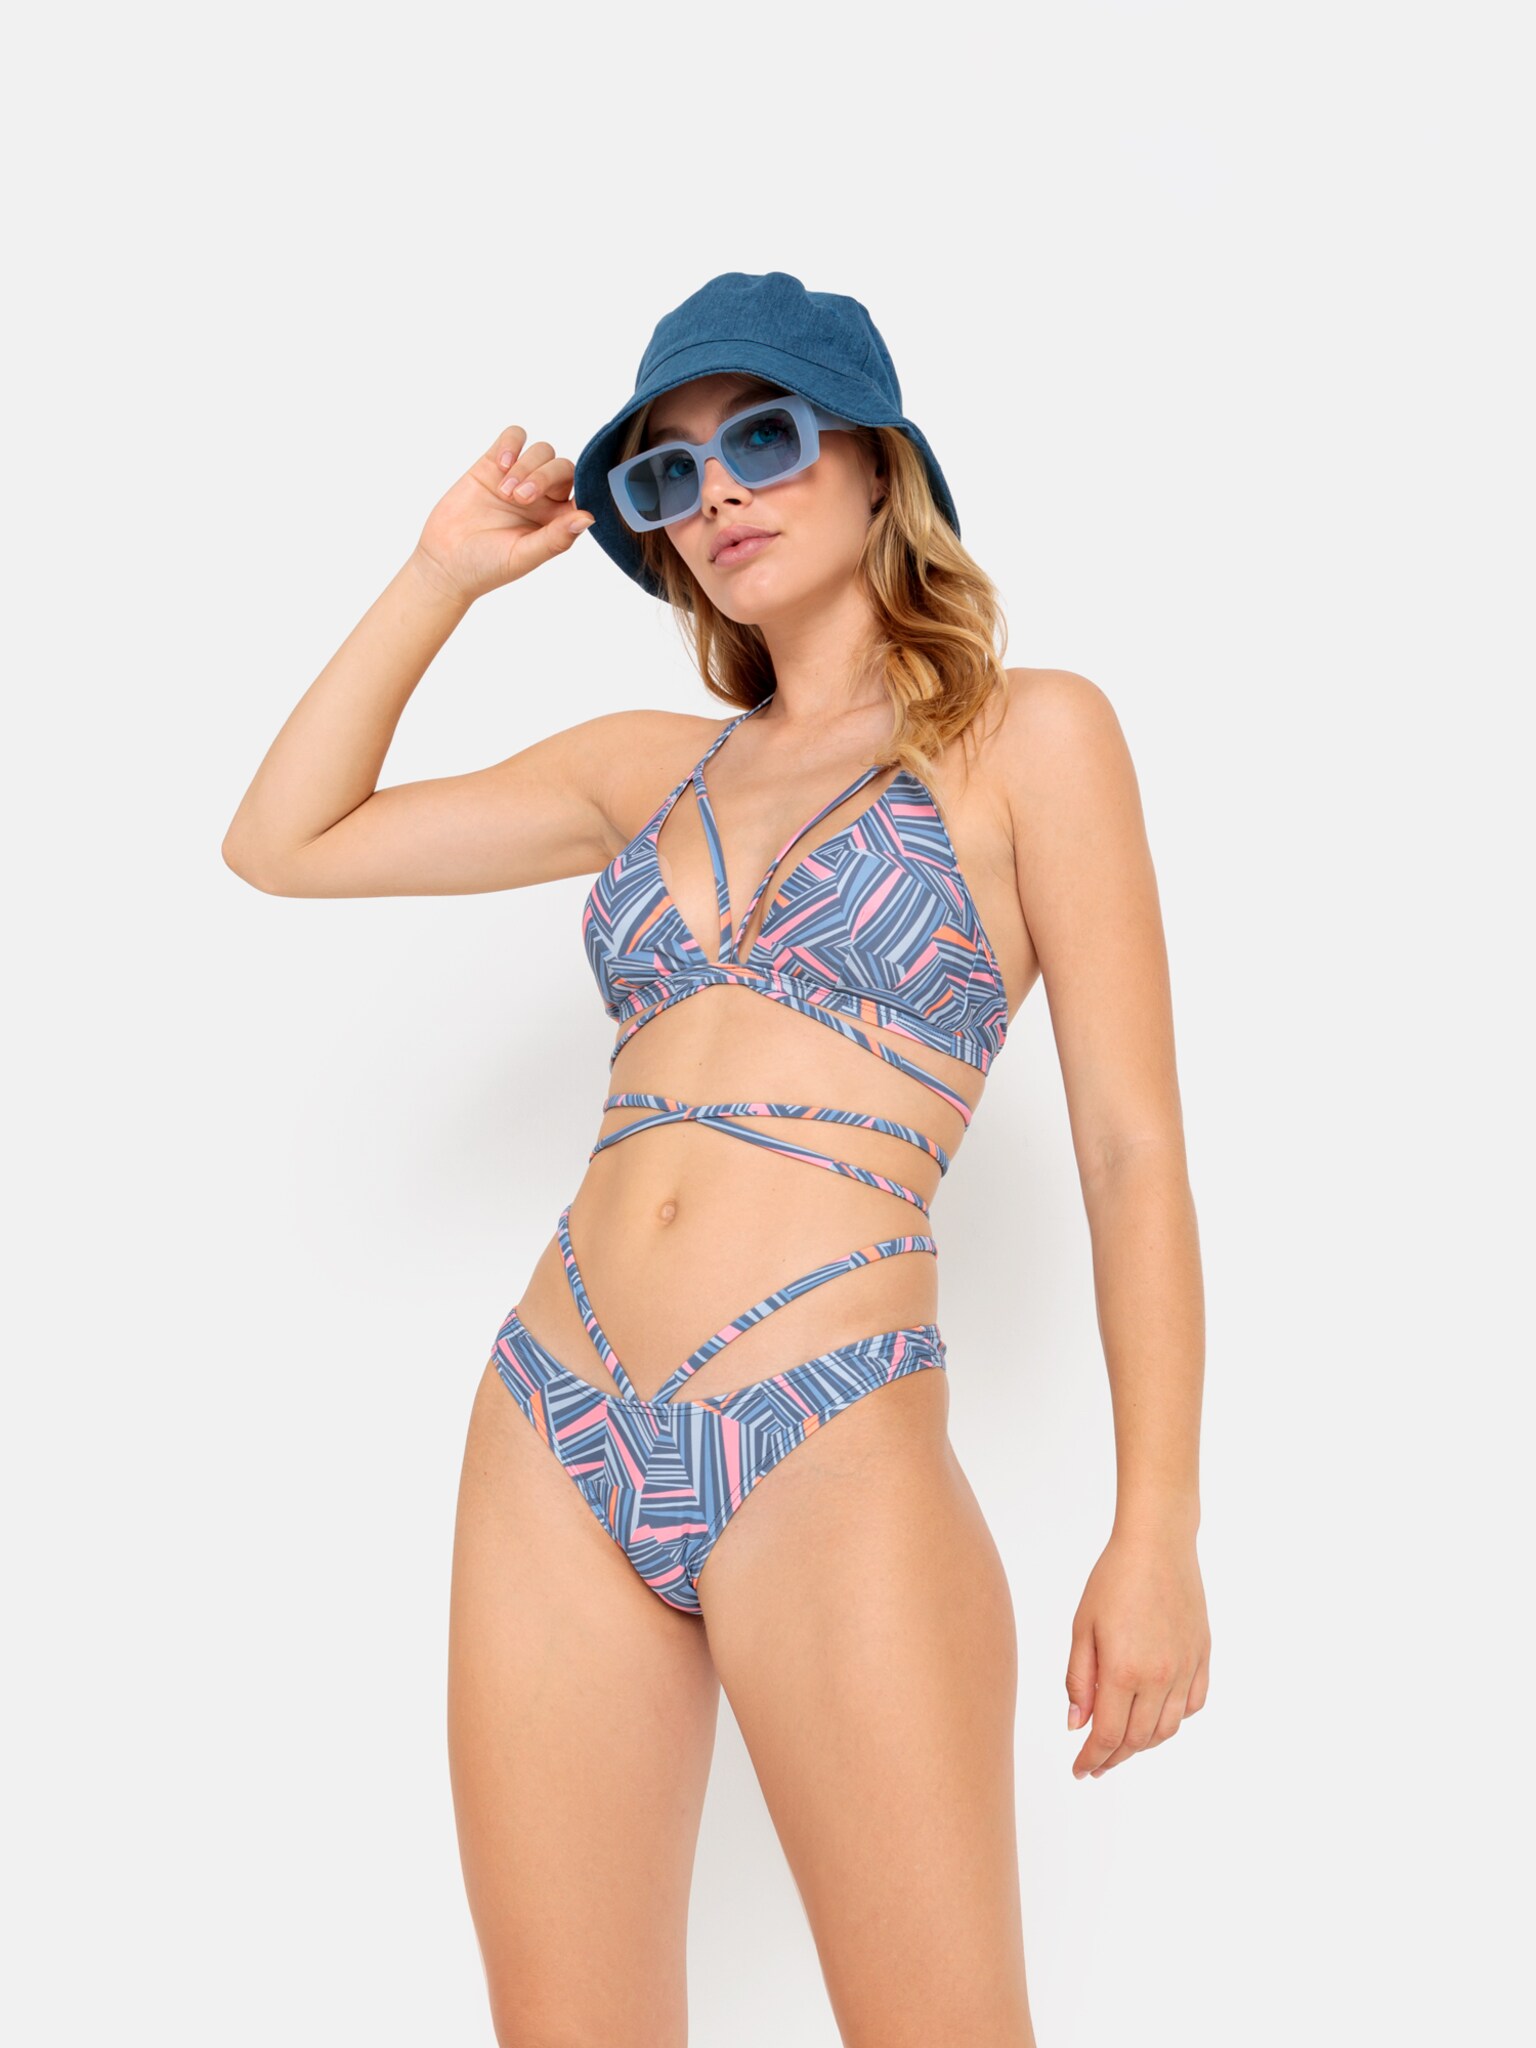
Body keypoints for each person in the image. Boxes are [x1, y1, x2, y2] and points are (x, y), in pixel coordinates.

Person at [222, 270, 1210, 2048]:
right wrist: (442, 573)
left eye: (764, 437)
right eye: (669, 475)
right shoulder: (640, 771)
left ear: (878, 458)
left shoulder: (1032, 738)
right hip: (554, 1418)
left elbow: (1132, 1152)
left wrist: (1158, 1528)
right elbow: (284, 840)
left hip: (826, 1424)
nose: (719, 494)